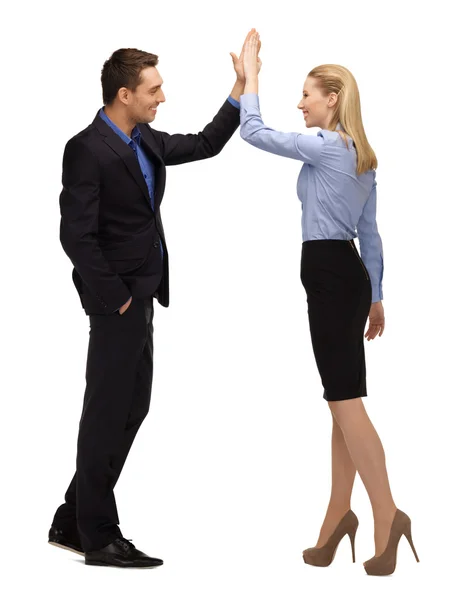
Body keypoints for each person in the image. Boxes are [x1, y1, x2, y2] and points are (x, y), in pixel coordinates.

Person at [49, 31, 260, 569]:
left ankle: (74, 515)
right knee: (107, 413)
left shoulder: (143, 140)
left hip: (142, 295)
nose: (161, 98)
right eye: (154, 90)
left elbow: (205, 143)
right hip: (115, 300)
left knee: (131, 406)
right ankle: (97, 534)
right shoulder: (86, 148)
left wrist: (239, 89)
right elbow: (76, 235)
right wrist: (116, 297)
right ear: (124, 94)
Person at [239, 31, 419, 576]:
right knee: (341, 396)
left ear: (333, 98)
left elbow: (253, 131)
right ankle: (339, 515)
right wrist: (378, 296)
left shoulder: (325, 146)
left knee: (345, 402)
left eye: (308, 94)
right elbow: (372, 235)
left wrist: (251, 75)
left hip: (329, 276)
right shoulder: (362, 157)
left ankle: (388, 515)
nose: (301, 103)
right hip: (350, 279)